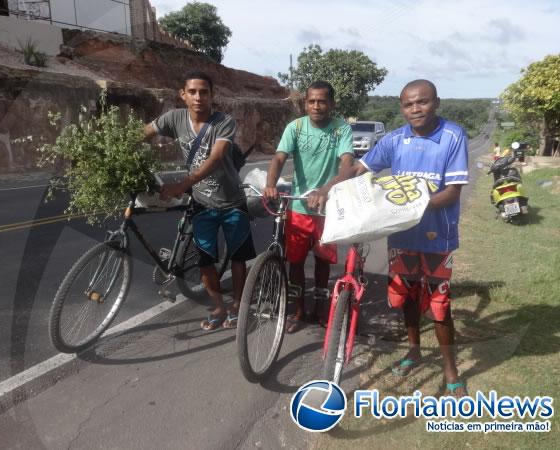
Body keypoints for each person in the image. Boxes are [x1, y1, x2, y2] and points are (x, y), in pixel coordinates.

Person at [338, 79, 469, 397]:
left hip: (438, 239)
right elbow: (359, 169)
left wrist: (412, 208)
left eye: (422, 102)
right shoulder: (395, 139)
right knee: (407, 299)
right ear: (402, 107)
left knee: (440, 306)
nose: (416, 109)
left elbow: (452, 192)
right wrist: (331, 189)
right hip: (402, 237)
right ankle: (414, 351)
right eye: (409, 104)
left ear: (436, 102)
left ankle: (450, 370)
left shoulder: (453, 136)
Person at [143, 70, 256, 330]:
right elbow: (143, 134)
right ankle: (218, 306)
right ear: (182, 95)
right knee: (206, 259)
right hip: (202, 203)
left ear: (211, 95)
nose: (198, 97)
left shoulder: (223, 122)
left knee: (238, 258)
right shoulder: (174, 118)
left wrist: (181, 185)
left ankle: (238, 305)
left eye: (204, 92)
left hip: (231, 202)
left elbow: (215, 158)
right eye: (192, 92)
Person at [264, 80, 354, 333]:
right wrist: (270, 184)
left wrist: (325, 190)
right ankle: (298, 311)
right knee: (296, 262)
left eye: (322, 101)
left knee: (324, 262)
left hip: (327, 209)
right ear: (305, 103)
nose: (316, 106)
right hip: (299, 209)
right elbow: (279, 157)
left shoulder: (341, 129)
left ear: (331, 103)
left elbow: (347, 163)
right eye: (311, 101)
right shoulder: (296, 127)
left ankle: (321, 308)